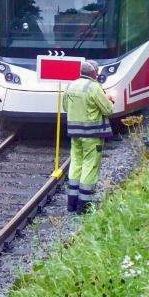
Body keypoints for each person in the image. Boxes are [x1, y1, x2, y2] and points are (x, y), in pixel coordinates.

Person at [63, 59, 114, 213]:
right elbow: (108, 110)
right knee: (90, 166)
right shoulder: (94, 87)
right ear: (94, 73)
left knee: (76, 163)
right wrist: (110, 100)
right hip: (92, 135)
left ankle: (71, 202)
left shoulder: (70, 85)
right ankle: (84, 205)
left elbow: (65, 107)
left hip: (74, 133)